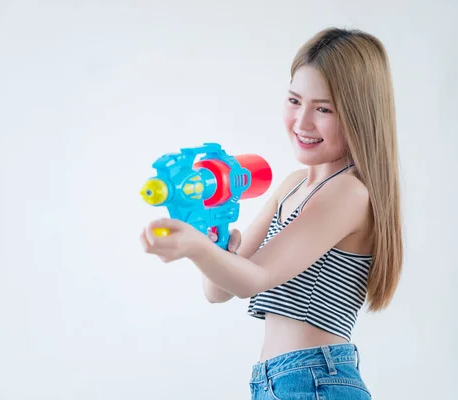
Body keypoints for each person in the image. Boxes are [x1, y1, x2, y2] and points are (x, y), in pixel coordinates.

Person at [140, 26, 403, 400]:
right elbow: (219, 290)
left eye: (323, 109)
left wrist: (198, 246)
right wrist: (211, 234)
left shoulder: (348, 192)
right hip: (279, 382)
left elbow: (255, 277)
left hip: (312, 379)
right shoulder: (293, 185)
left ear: (359, 115)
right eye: (294, 101)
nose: (302, 122)